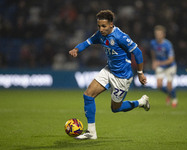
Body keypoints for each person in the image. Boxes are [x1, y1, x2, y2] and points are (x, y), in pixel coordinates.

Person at [69, 10, 150, 140]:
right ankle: (91, 132)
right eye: (99, 26)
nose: (101, 29)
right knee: (88, 95)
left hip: (122, 77)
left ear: (111, 24)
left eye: (104, 26)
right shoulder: (100, 35)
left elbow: (138, 53)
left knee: (115, 108)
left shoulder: (120, 37)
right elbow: (87, 42)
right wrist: (76, 49)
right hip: (109, 70)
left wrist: (140, 74)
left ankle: (141, 102)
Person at [150, 25, 178, 107]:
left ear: (163, 35)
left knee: (169, 85)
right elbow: (153, 52)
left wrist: (158, 63)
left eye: (159, 34)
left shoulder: (168, 45)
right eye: (156, 34)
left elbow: (171, 60)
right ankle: (169, 94)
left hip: (170, 67)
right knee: (159, 85)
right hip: (160, 66)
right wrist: (154, 61)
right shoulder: (153, 43)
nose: (157, 36)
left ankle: (174, 98)